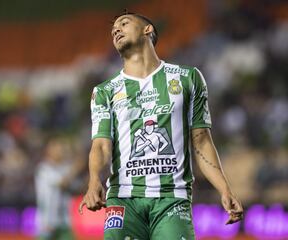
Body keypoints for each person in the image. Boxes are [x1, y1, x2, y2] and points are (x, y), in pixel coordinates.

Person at [79, 11, 243, 240]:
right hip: (124, 199)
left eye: (124, 23)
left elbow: (202, 141)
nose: (116, 30)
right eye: (113, 29)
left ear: (148, 30)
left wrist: (225, 189)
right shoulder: (104, 92)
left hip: (173, 198)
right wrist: (94, 179)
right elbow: (101, 145)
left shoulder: (188, 78)